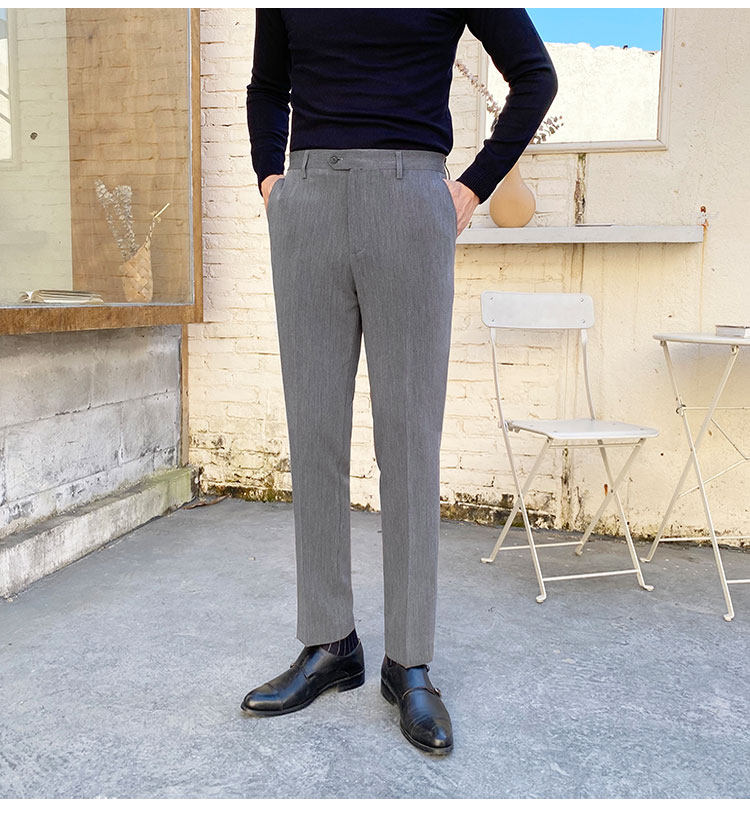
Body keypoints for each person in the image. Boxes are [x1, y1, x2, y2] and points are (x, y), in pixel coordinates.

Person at [242, 9, 557, 756]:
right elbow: (267, 85)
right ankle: (329, 644)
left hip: (411, 195)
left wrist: (472, 186)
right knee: (313, 429)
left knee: (409, 438)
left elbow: (535, 77)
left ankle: (408, 661)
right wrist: (271, 178)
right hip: (307, 201)